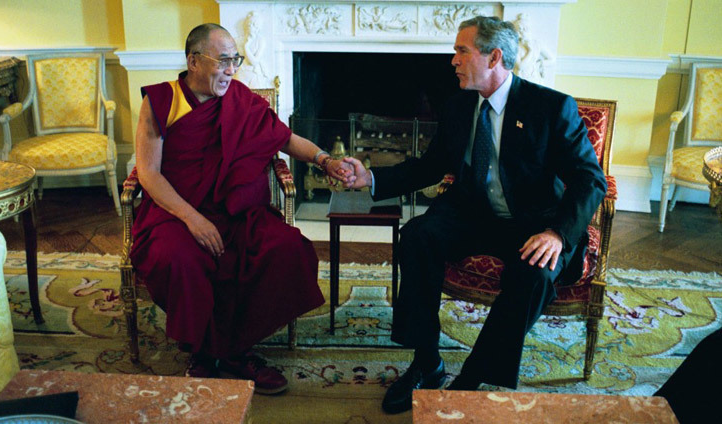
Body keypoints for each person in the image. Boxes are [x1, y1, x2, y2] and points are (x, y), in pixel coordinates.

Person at [344, 16, 607, 414]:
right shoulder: (458, 105)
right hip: (473, 213)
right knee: (417, 236)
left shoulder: (550, 108)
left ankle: (472, 378)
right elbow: (429, 167)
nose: (453, 60)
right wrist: (371, 178)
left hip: (536, 222)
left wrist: (557, 233)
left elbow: (590, 180)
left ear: (494, 56)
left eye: (461, 51)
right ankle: (426, 362)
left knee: (534, 273)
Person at [130, 23, 353, 395]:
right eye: (224, 61)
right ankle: (216, 352)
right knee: (179, 259)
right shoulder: (161, 101)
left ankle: (224, 350)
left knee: (287, 249)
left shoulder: (242, 100)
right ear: (194, 61)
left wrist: (324, 160)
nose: (232, 70)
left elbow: (285, 138)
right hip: (176, 213)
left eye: (236, 60)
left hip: (236, 212)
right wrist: (193, 219)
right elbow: (149, 175)